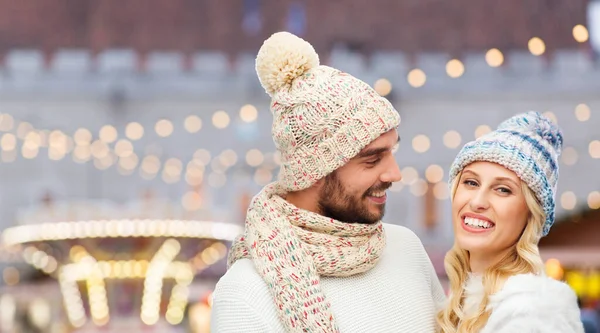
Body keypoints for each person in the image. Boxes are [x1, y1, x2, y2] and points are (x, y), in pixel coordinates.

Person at [210, 31, 445, 332]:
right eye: (373, 159)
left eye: (392, 152)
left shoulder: (406, 249)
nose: (394, 174)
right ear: (314, 171)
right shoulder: (246, 293)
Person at [437, 111, 584, 332]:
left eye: (503, 190)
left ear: (531, 214)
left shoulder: (532, 313)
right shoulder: (457, 301)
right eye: (471, 182)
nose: (478, 202)